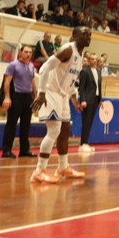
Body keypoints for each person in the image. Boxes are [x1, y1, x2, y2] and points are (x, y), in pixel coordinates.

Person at [29, 26, 91, 183]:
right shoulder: (67, 50)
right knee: (54, 130)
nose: (88, 36)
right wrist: (41, 93)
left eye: (90, 34)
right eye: (84, 34)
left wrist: (74, 99)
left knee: (65, 130)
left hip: (63, 95)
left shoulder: (80, 53)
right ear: (75, 35)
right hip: (51, 92)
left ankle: (63, 168)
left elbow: (69, 81)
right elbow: (44, 68)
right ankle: (39, 171)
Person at [1, 45, 38, 159]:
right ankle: (7, 150)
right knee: (11, 124)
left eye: (30, 52)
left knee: (26, 125)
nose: (28, 54)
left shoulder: (31, 66)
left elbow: (32, 82)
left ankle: (24, 150)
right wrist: (7, 97)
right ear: (21, 52)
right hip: (16, 96)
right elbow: (7, 82)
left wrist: (35, 96)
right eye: (26, 52)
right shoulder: (13, 65)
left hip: (28, 98)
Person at [77, 51, 102, 153]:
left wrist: (100, 99)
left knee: (90, 122)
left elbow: (98, 86)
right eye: (92, 59)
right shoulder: (85, 71)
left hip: (95, 100)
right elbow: (81, 88)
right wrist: (83, 100)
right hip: (87, 100)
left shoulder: (98, 71)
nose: (94, 61)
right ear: (88, 60)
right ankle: (82, 144)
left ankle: (86, 143)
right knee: (86, 122)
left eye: (96, 59)